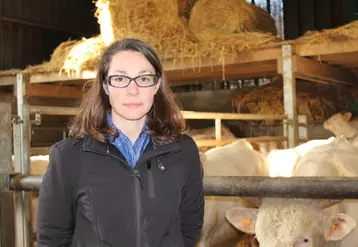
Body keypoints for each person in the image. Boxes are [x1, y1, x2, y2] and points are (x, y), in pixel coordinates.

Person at [37, 38, 204, 247]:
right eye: (120, 79)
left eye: (143, 79)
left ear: (157, 85)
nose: (132, 90)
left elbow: (189, 229)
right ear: (105, 85)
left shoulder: (183, 151)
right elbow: (52, 238)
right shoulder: (69, 156)